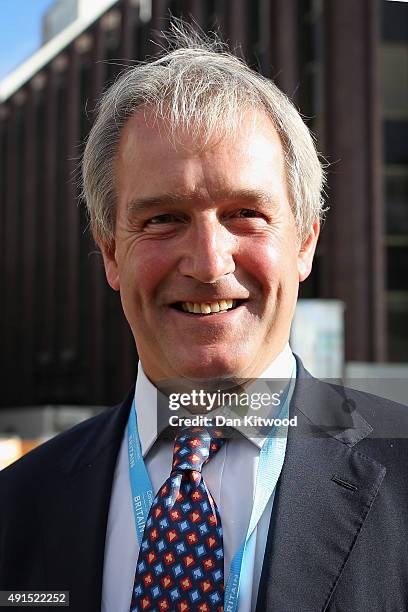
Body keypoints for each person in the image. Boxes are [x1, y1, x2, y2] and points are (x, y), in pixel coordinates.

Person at [1, 23, 408, 612]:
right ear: (111, 252)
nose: (209, 263)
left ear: (306, 243)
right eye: (163, 218)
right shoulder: (18, 506)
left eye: (245, 213)